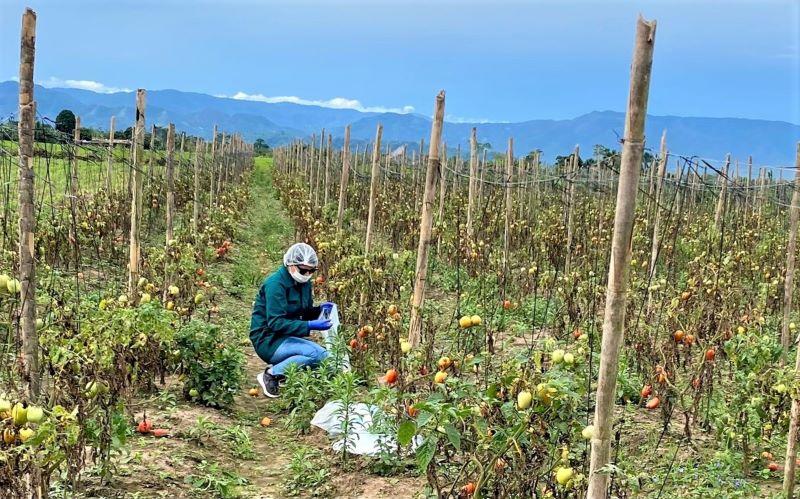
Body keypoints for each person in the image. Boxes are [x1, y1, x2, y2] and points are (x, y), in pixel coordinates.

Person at [250, 243, 334, 398]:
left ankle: (284, 373)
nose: (307, 273)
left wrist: (319, 310)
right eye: (303, 270)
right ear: (291, 265)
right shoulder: (275, 284)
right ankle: (271, 374)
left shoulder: (304, 284)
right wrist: (309, 325)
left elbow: (303, 311)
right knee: (319, 355)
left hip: (286, 337)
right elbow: (276, 323)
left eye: (311, 270)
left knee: (325, 358)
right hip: (269, 339)